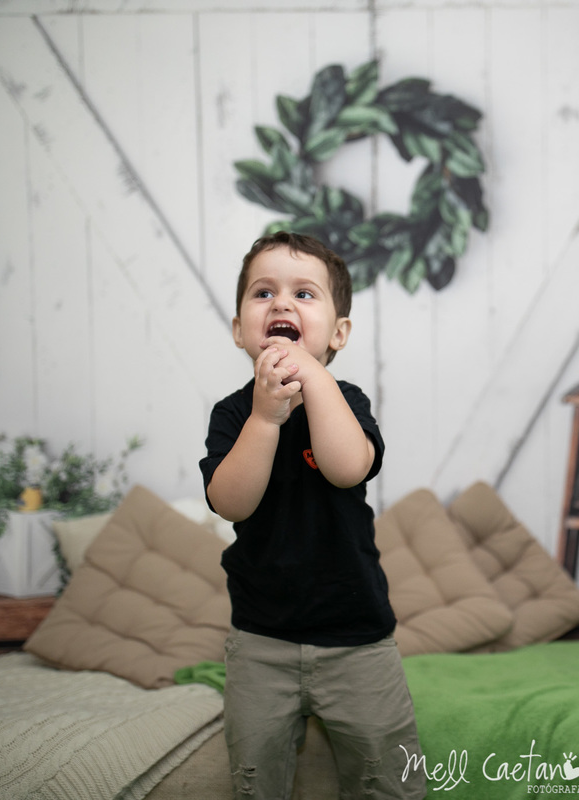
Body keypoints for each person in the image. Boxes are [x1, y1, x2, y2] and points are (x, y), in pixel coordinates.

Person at [200, 231, 425, 800]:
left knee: (386, 779)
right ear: (239, 330)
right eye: (263, 293)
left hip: (356, 637)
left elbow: (347, 468)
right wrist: (265, 419)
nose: (281, 303)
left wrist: (314, 378)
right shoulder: (234, 415)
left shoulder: (348, 402)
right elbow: (231, 503)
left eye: (304, 294)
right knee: (256, 778)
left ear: (337, 334)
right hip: (261, 639)